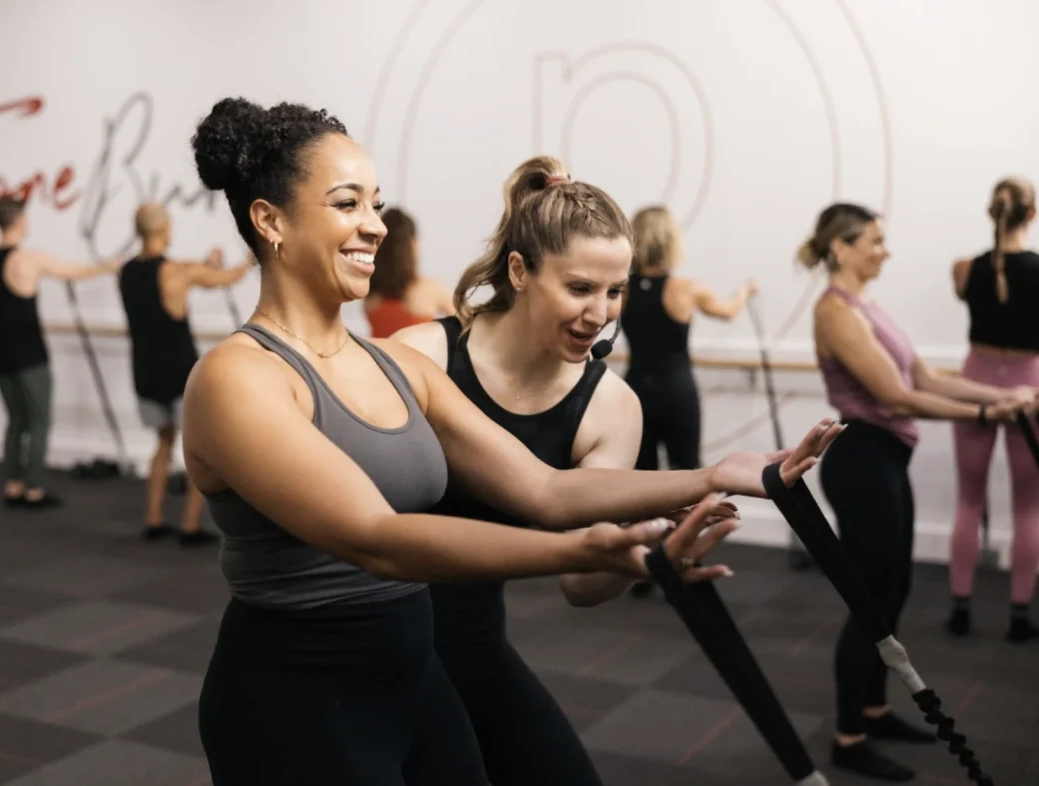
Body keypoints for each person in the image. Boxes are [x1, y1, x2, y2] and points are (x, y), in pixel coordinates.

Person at [181, 96, 840, 786]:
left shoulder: (394, 365)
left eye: (377, 205)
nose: (374, 227)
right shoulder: (238, 377)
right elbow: (374, 538)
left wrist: (712, 476)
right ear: (270, 220)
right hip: (295, 696)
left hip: (412, 676)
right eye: (348, 205)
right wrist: (581, 549)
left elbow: (546, 488)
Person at [391, 156, 744, 785]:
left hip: (471, 645)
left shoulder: (610, 406)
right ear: (521, 271)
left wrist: (644, 551)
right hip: (372, 642)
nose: (601, 313)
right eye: (580, 288)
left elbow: (581, 586)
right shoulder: (421, 355)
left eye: (615, 292)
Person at [799, 202, 1034, 782]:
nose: (885, 249)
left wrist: (1003, 396)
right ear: (840, 248)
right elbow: (895, 396)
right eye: (873, 240)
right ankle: (848, 737)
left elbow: (924, 377)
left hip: (885, 460)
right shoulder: (835, 313)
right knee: (869, 599)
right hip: (861, 461)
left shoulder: (868, 307)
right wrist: (987, 409)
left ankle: (874, 710)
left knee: (894, 588)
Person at [118, 203, 250, 544]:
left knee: (163, 443)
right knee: (199, 450)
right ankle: (190, 526)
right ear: (163, 229)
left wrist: (205, 265)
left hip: (145, 372)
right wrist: (249, 260)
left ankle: (154, 519)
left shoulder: (127, 272)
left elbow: (193, 274)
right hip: (178, 372)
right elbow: (222, 279)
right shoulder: (175, 272)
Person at [0, 195, 119, 509]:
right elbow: (75, 272)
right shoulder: (29, 259)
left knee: (16, 419)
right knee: (39, 420)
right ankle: (33, 488)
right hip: (28, 354)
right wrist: (109, 266)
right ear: (17, 220)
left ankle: (13, 484)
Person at [948, 177, 1039, 644]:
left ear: (991, 213)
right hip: (1030, 386)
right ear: (1033, 214)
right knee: (1028, 506)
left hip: (974, 382)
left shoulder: (964, 270)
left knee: (968, 498)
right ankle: (1020, 616)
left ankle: (960, 609)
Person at [622, 204, 759, 472]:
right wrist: (746, 291)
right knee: (687, 471)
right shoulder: (686, 289)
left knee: (640, 476)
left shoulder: (620, 289)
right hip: (676, 391)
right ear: (670, 241)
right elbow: (728, 311)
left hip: (635, 391)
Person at [363, 206, 455, 337]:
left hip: (378, 358)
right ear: (413, 243)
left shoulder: (369, 298)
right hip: (419, 357)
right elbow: (467, 326)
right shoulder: (431, 290)